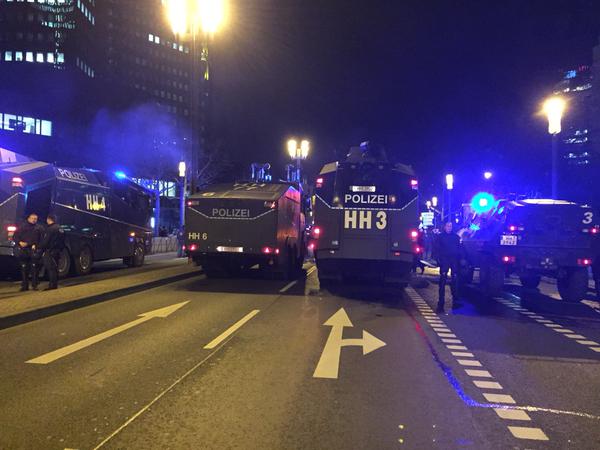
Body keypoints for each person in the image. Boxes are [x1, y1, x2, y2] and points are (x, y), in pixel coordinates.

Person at [433, 221, 462, 313]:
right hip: (444, 260)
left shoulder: (456, 237)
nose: (449, 228)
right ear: (444, 227)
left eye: (450, 226)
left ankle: (455, 300)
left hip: (453, 261)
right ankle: (441, 302)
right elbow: (436, 248)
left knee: (455, 281)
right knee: (442, 282)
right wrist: (438, 259)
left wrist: (460, 259)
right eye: (448, 226)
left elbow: (459, 249)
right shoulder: (440, 237)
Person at [13, 213, 42, 291]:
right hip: (23, 250)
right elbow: (15, 236)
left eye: (35, 218)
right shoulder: (22, 226)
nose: (34, 220)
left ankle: (34, 285)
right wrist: (19, 242)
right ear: (28, 218)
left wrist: (36, 245)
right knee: (24, 268)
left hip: (33, 250)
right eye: (32, 218)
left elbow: (42, 239)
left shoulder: (39, 228)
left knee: (34, 268)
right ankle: (25, 286)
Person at [39, 214, 64, 291]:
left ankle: (52, 285)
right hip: (58, 251)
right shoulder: (60, 228)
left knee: (51, 268)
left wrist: (40, 247)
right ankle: (55, 284)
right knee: (55, 268)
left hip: (50, 251)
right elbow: (63, 241)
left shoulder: (50, 229)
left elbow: (46, 241)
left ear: (49, 219)